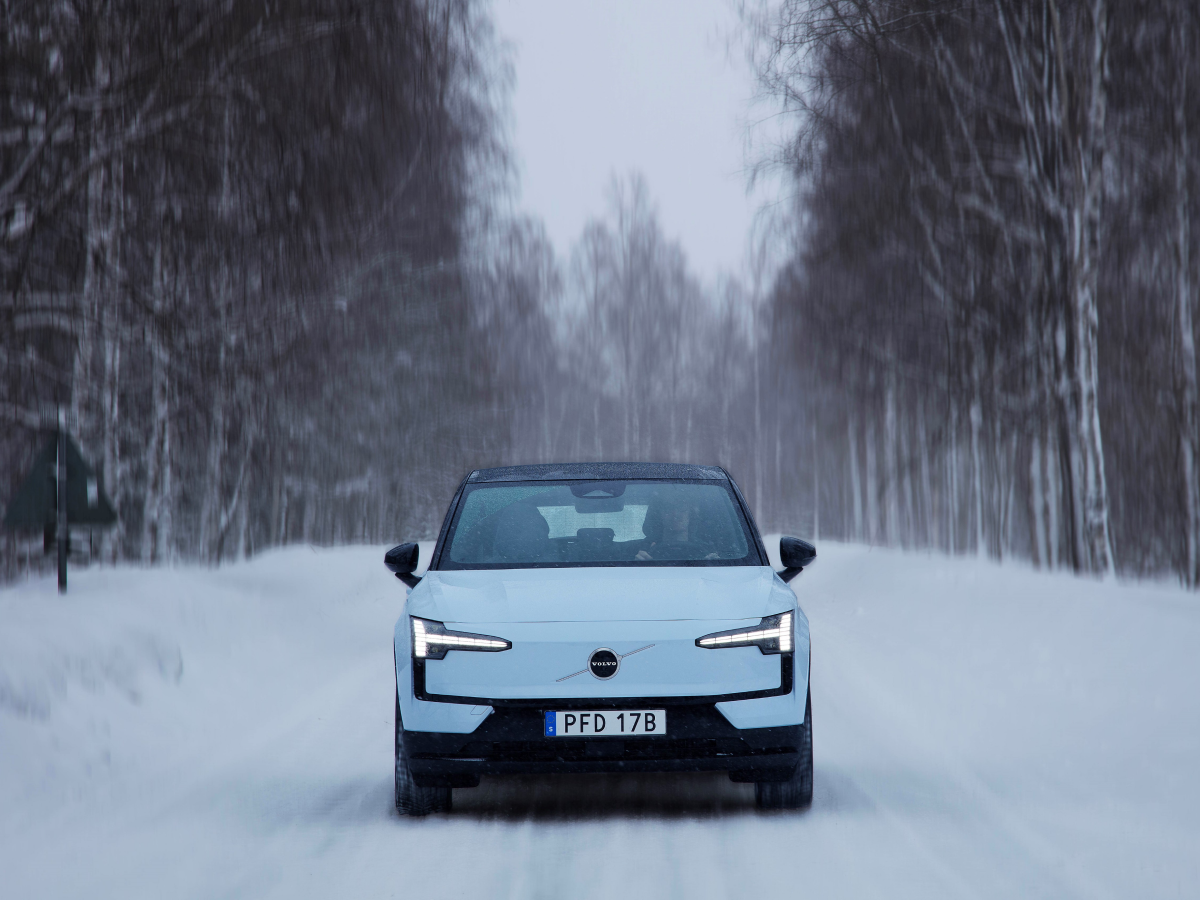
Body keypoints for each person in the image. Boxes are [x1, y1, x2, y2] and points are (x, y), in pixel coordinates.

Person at [634, 494, 718, 561]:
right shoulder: (638, 549)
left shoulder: (707, 550)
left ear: (691, 515)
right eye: (668, 508)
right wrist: (637, 565)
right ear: (659, 515)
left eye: (682, 508)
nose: (675, 514)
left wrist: (712, 565)